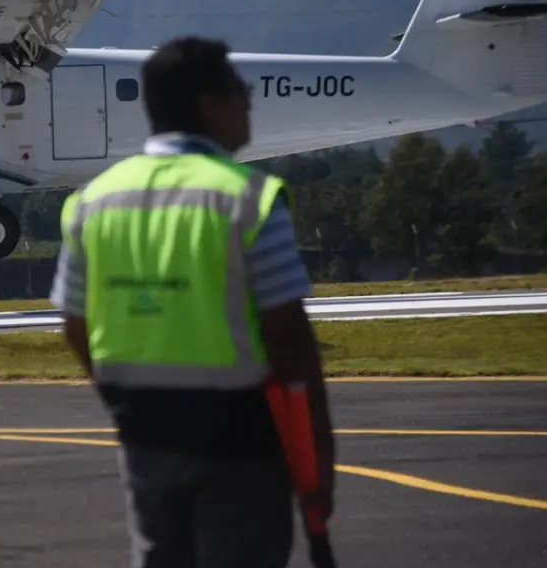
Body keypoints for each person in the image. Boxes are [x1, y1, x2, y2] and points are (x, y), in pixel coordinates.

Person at [49, 35, 336, 567]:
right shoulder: (248, 197)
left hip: (146, 440)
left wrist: (125, 405)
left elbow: (73, 323)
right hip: (241, 446)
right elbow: (292, 347)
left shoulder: (93, 202)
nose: (249, 102)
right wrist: (316, 470)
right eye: (240, 90)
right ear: (211, 102)